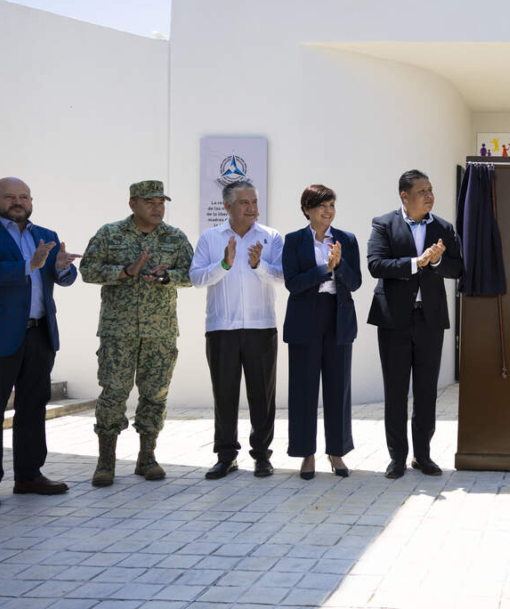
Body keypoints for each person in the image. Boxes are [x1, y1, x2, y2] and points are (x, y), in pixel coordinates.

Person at [80, 180, 193, 486]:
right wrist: (125, 271)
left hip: (160, 331)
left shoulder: (175, 237)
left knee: (155, 393)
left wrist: (168, 276)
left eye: (161, 202)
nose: (158, 208)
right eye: (150, 202)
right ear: (133, 204)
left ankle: (147, 457)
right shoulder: (110, 233)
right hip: (119, 330)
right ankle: (105, 461)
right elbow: (87, 269)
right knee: (114, 392)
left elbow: (193, 274)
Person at [0, 178, 79, 509]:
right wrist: (27, 265)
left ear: (31, 201)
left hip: (40, 333)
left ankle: (29, 475)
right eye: (10, 197)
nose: (17, 202)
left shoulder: (45, 234)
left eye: (23, 197)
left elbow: (59, 277)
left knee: (33, 406)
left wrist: (62, 269)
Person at [367, 169, 463, 479]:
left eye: (431, 189)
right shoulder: (383, 224)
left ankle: (423, 455)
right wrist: (415, 263)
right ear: (404, 196)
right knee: (395, 390)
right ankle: (397, 457)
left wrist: (435, 261)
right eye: (422, 191)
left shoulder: (444, 228)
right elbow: (375, 264)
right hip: (394, 319)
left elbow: (458, 268)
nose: (429, 195)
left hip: (429, 319)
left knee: (425, 391)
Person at [189, 180, 283, 480]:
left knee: (262, 396)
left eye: (254, 202)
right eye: (244, 203)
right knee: (225, 394)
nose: (252, 208)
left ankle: (262, 456)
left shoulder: (271, 237)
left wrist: (257, 265)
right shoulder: (210, 238)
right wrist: (224, 264)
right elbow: (196, 278)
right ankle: (226, 456)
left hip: (260, 327)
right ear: (228, 206)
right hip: (221, 329)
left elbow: (282, 276)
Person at [283, 185, 361, 480]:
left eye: (331, 205)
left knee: (338, 386)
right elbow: (292, 283)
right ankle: (306, 454)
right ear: (307, 209)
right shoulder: (293, 241)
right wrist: (323, 270)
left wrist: (338, 266)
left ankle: (337, 451)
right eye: (321, 206)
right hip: (305, 318)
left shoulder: (347, 240)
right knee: (303, 388)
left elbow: (355, 283)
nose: (328, 210)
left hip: (337, 317)